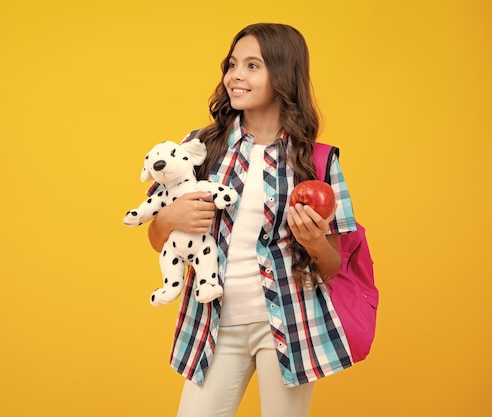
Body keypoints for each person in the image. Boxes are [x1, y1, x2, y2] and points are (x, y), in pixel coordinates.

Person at [146, 23, 357, 417]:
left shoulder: (316, 160)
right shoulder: (201, 147)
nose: (235, 76)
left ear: (282, 76)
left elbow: (333, 265)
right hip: (215, 323)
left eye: (252, 65)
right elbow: (158, 239)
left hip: (290, 322)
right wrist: (170, 216)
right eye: (232, 64)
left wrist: (312, 241)